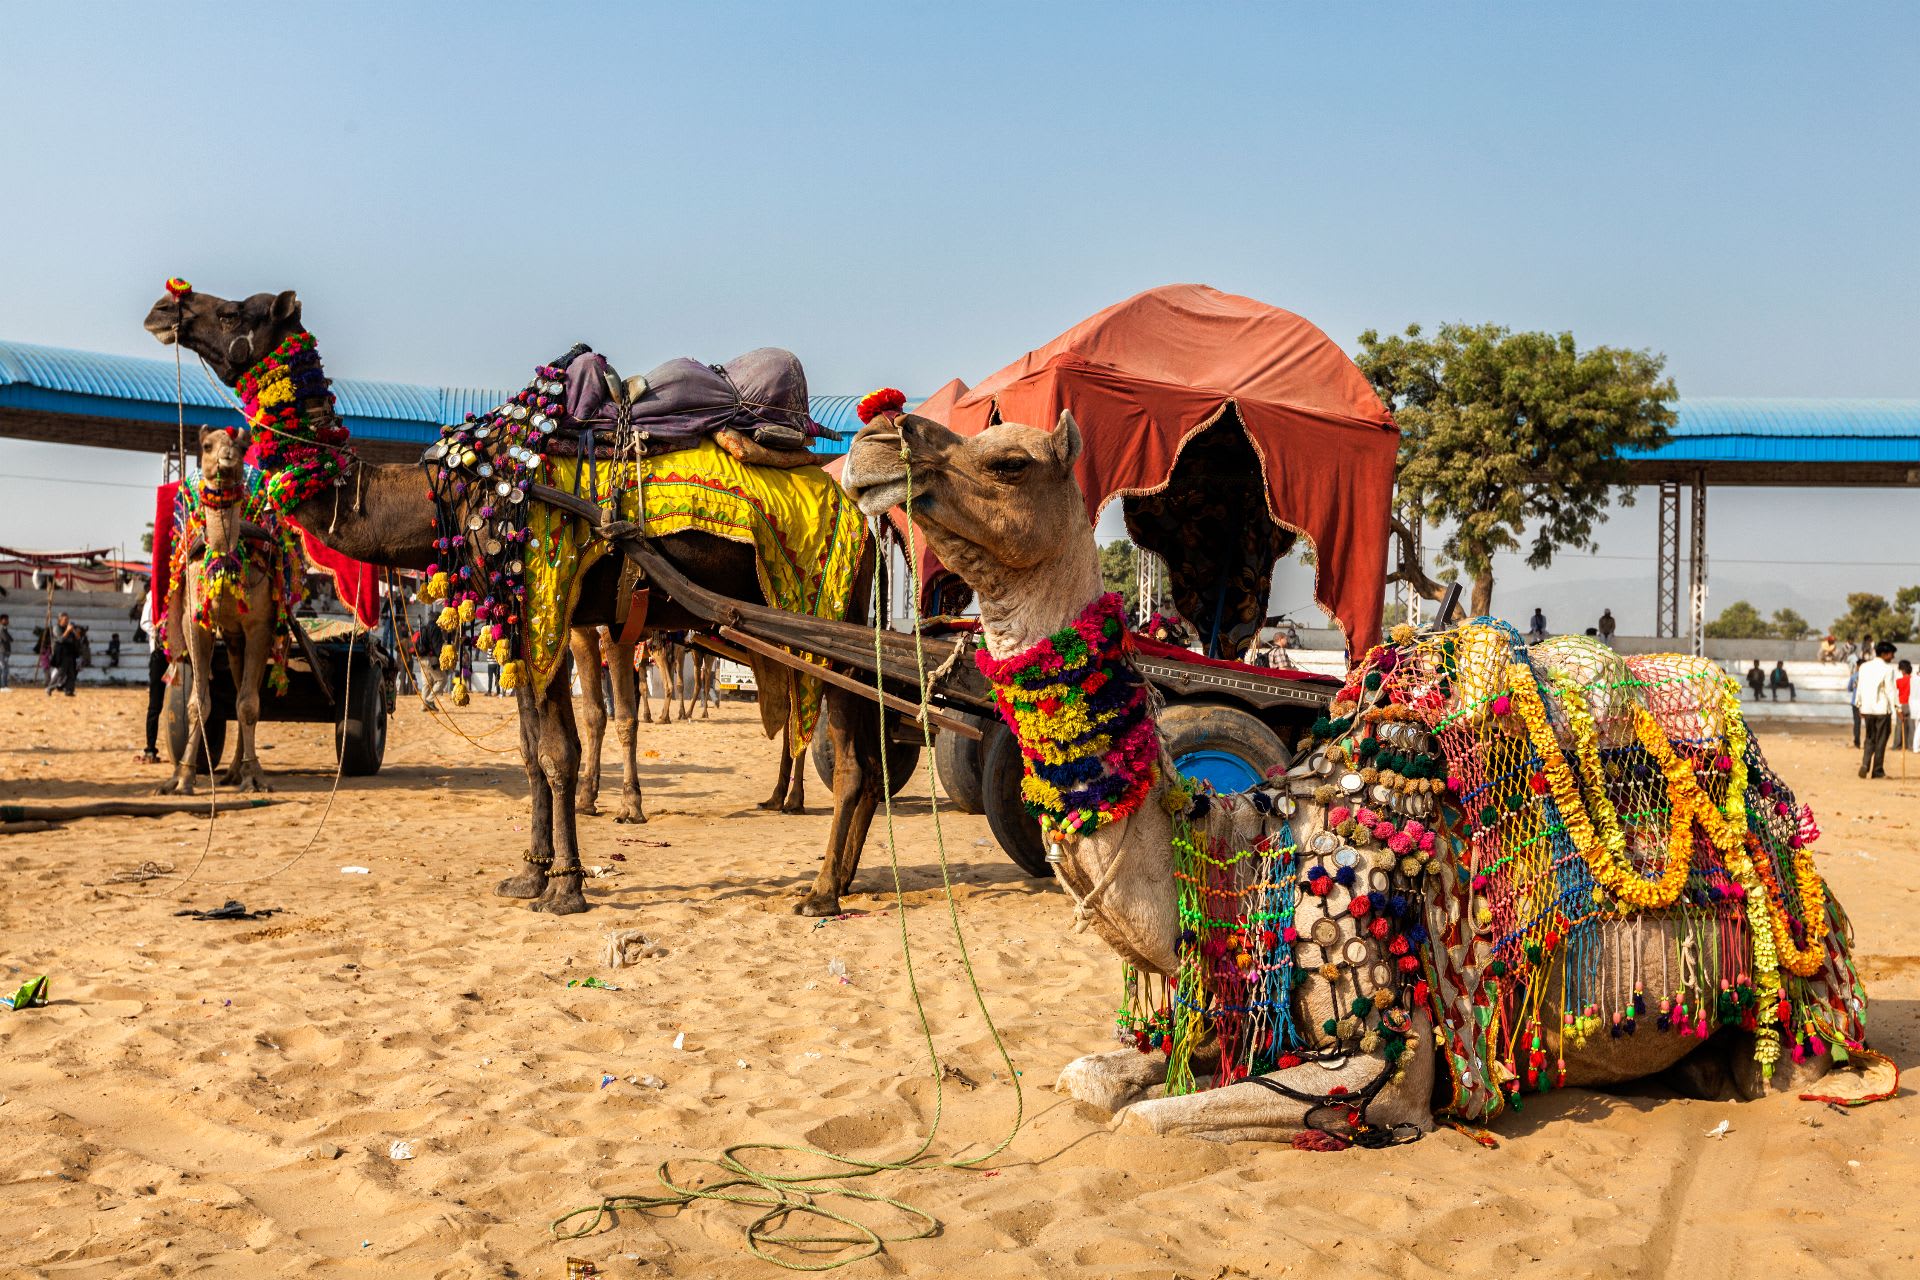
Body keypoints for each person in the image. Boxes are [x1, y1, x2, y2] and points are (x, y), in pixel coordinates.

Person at [1854, 641, 1900, 779]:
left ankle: (1865, 764)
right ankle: (1877, 770)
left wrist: (1859, 704)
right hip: (1881, 710)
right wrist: (1897, 707)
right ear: (1885, 654)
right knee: (1881, 740)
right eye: (1891, 654)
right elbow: (1890, 690)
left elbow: (1860, 686)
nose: (1892, 657)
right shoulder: (1888, 669)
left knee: (1869, 738)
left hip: (1867, 708)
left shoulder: (1864, 667)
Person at [141, 592, 167, 763]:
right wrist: (160, 632)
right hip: (160, 653)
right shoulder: (154, 594)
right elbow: (145, 622)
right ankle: (150, 748)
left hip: (181, 651)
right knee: (155, 705)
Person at [48, 612, 80, 697]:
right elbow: (61, 639)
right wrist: (67, 630)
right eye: (65, 619)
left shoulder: (69, 628)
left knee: (72, 673)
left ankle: (69, 690)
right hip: (61, 653)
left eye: (67, 619)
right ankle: (50, 688)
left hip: (70, 652)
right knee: (61, 672)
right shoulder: (56, 628)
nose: (67, 621)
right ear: (60, 620)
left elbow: (77, 638)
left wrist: (74, 631)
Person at [1899, 659, 1914, 752]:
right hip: (1911, 704)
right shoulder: (1914, 680)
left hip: (1902, 703)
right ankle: (1910, 745)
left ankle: (1898, 745)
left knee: (1900, 726)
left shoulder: (1899, 681)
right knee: (1911, 726)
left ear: (1903, 670)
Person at [0, 612, 11, 692]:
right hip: (2, 651)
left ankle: (2, 686)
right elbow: (6, 639)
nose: (7, 621)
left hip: (4, 650)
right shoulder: (1, 629)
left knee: (2, 668)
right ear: (1, 620)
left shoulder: (4, 628)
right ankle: (4, 686)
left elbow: (10, 638)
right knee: (4, 668)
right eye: (6, 619)